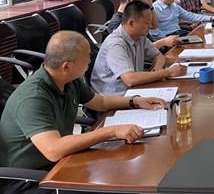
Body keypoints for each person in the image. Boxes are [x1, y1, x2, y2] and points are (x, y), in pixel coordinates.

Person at [0, 31, 165, 193]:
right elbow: (53, 150)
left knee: (122, 168)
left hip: (61, 161)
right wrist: (111, 131)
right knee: (114, 181)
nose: (90, 60)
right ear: (67, 66)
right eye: (86, 57)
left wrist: (135, 101)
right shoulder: (32, 97)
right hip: (30, 179)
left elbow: (100, 102)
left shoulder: (69, 80)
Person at [91, 1, 187, 96]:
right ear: (131, 23)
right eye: (147, 23)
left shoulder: (140, 37)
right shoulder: (115, 44)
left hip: (134, 91)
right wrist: (167, 73)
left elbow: (158, 56)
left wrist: (157, 69)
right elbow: (130, 79)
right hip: (114, 98)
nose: (150, 26)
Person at [104, 0, 180, 49]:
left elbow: (154, 25)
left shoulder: (135, 15)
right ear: (130, 1)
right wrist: (163, 42)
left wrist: (150, 5)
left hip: (154, 50)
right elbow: (136, 50)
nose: (142, 9)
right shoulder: (116, 23)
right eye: (140, 5)